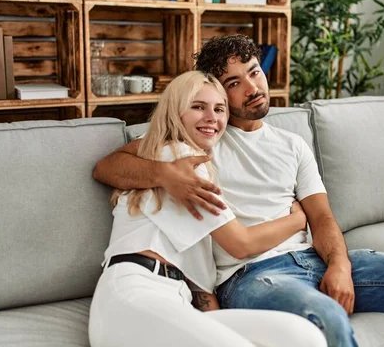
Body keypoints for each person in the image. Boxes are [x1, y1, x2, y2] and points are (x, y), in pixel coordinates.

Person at [93, 35, 384, 347]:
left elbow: (322, 217)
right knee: (325, 318)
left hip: (312, 257)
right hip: (252, 274)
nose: (251, 88)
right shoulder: (201, 136)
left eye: (254, 73)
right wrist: (167, 174)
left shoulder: (293, 145)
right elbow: (109, 166)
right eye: (233, 83)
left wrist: (339, 265)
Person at [88, 71, 327, 347]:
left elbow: (202, 284)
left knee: (303, 336)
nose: (212, 117)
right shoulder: (178, 158)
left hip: (177, 301)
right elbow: (241, 243)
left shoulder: (190, 169)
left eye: (219, 109)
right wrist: (299, 219)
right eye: (198, 107)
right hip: (134, 294)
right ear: (175, 113)